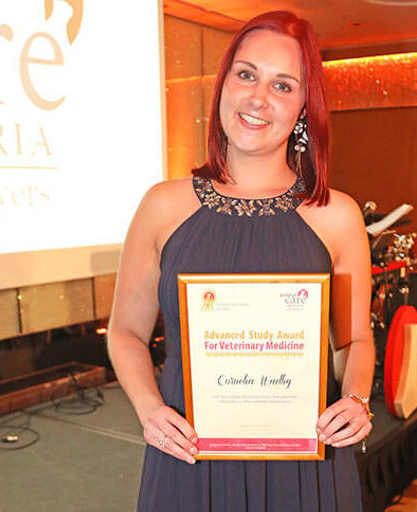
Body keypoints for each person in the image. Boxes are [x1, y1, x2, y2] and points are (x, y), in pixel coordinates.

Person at [107, 10, 375, 511]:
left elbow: (354, 340)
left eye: (282, 85)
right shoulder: (163, 206)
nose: (258, 97)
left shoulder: (336, 216)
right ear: (224, 86)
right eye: (246, 75)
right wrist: (148, 410)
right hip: (188, 457)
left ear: (304, 108)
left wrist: (357, 399)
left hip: (304, 468)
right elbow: (125, 332)